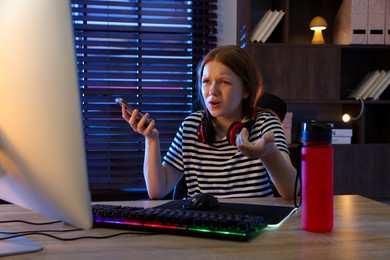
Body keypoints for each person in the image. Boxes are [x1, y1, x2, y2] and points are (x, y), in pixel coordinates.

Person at [122, 45, 297, 200]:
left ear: (246, 90)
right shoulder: (191, 126)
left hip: (254, 228)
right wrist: (151, 140)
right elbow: (157, 191)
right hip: (203, 226)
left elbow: (292, 191)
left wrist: (268, 154)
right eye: (206, 82)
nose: (212, 91)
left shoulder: (265, 124)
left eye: (224, 82)